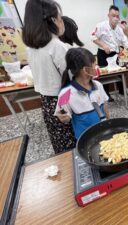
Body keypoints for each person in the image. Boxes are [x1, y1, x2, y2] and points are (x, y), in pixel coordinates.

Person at [22, 0, 76, 153]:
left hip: (46, 103)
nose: (62, 21)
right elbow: (68, 81)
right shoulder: (57, 46)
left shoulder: (30, 48)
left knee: (60, 145)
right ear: (53, 19)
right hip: (62, 101)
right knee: (73, 145)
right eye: (60, 17)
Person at [55, 48, 109, 139]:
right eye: (94, 64)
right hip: (85, 138)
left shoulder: (98, 85)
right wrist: (63, 118)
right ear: (85, 70)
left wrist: (109, 124)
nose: (97, 67)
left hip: (103, 132)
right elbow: (65, 118)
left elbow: (105, 107)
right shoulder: (65, 94)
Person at [91, 5, 128, 102]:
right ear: (108, 15)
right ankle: (106, 95)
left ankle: (122, 91)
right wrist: (104, 45)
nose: (115, 18)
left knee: (119, 72)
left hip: (115, 53)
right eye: (113, 16)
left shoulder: (119, 29)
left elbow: (124, 41)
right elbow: (93, 37)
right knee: (106, 74)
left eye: (117, 16)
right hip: (103, 53)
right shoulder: (101, 26)